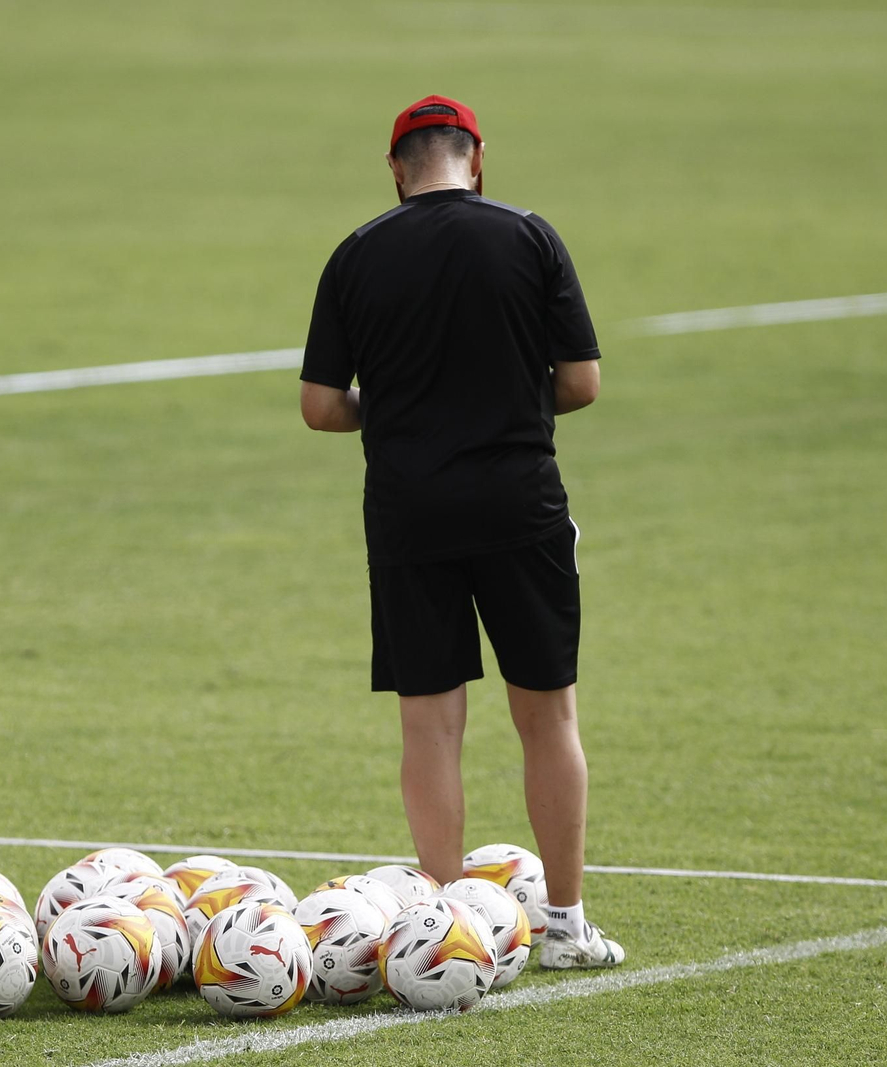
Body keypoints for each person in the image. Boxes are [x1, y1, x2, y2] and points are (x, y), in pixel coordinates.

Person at [298, 95, 623, 969]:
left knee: (430, 726)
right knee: (547, 716)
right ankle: (564, 924)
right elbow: (583, 382)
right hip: (521, 508)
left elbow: (322, 408)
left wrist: (397, 410)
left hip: (410, 515)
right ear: (476, 157)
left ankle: (442, 934)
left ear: (396, 169)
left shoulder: (357, 254)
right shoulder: (530, 237)